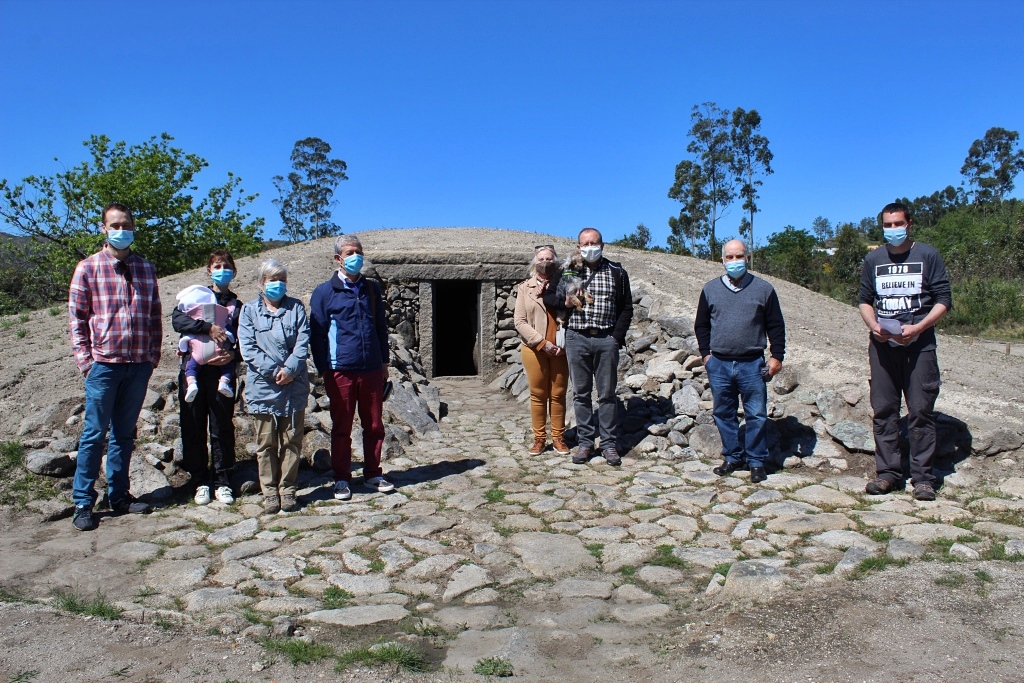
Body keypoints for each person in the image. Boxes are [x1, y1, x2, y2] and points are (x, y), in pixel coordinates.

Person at [67, 202, 161, 530]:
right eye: (115, 225)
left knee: (124, 433)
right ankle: (83, 502)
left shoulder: (146, 269)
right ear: (104, 228)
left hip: (138, 364)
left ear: (133, 227)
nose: (121, 230)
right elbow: (77, 319)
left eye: (126, 225)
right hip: (103, 366)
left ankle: (119, 496)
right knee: (94, 434)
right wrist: (86, 362)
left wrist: (152, 356)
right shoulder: (87, 268)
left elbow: (154, 315)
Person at [858, 202, 951, 501]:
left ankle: (923, 479)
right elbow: (864, 300)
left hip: (919, 345)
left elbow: (944, 299)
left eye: (898, 224)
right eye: (888, 225)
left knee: (921, 410)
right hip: (883, 347)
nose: (893, 229)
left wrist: (920, 327)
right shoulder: (873, 259)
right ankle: (888, 474)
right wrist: (873, 325)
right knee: (884, 410)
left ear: (909, 224)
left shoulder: (928, 255)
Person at [309, 235, 395, 501]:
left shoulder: (371, 289)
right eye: (349, 252)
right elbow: (317, 334)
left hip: (371, 368)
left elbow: (380, 327)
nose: (355, 256)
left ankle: (373, 474)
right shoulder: (324, 292)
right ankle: (342, 479)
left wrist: (384, 362)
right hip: (340, 370)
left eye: (358, 251)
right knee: (342, 427)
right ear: (338, 258)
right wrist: (324, 369)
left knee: (374, 425)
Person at [696, 239, 786, 484]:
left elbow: (776, 326)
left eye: (739, 256)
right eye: (729, 257)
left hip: (752, 364)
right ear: (722, 260)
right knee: (723, 413)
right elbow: (701, 325)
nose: (734, 261)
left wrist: (777, 356)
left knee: (756, 414)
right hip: (719, 363)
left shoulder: (764, 289)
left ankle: (756, 462)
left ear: (748, 258)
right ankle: (732, 457)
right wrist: (706, 355)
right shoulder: (710, 289)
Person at [544, 228, 633, 466]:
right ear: (578, 247)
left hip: (606, 339)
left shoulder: (616, 272)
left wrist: (616, 337)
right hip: (577, 338)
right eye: (585, 244)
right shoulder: (568, 270)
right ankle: (585, 443)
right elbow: (548, 297)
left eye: (594, 243)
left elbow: (626, 307)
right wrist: (564, 303)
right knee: (581, 394)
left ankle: (608, 444)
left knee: (607, 394)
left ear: (602, 246)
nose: (590, 247)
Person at [238, 259, 310, 513]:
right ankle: (269, 492)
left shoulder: (296, 308)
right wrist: (273, 371)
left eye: (282, 280)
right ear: (261, 283)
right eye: (272, 280)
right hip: (262, 386)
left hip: (294, 384)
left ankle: (288, 490)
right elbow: (248, 347)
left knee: (292, 441)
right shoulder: (249, 311)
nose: (277, 284)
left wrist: (289, 370)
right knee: (266, 443)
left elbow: (303, 341)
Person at [171, 251, 240, 506]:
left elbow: (244, 336)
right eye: (217, 266)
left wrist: (233, 354)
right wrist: (207, 328)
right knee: (193, 424)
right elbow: (178, 320)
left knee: (222, 426)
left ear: (234, 271)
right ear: (209, 271)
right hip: (194, 372)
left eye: (227, 266)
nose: (222, 270)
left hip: (221, 372)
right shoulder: (195, 297)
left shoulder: (237, 305)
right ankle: (199, 480)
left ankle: (223, 479)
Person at [514, 245, 570, 456]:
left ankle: (558, 437)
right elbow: (519, 321)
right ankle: (539, 438)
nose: (545, 262)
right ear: (534, 262)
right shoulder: (524, 288)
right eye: (541, 259)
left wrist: (564, 343)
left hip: (561, 349)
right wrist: (541, 342)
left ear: (556, 262)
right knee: (538, 394)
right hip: (534, 348)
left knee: (558, 394)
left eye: (549, 259)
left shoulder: (566, 284)